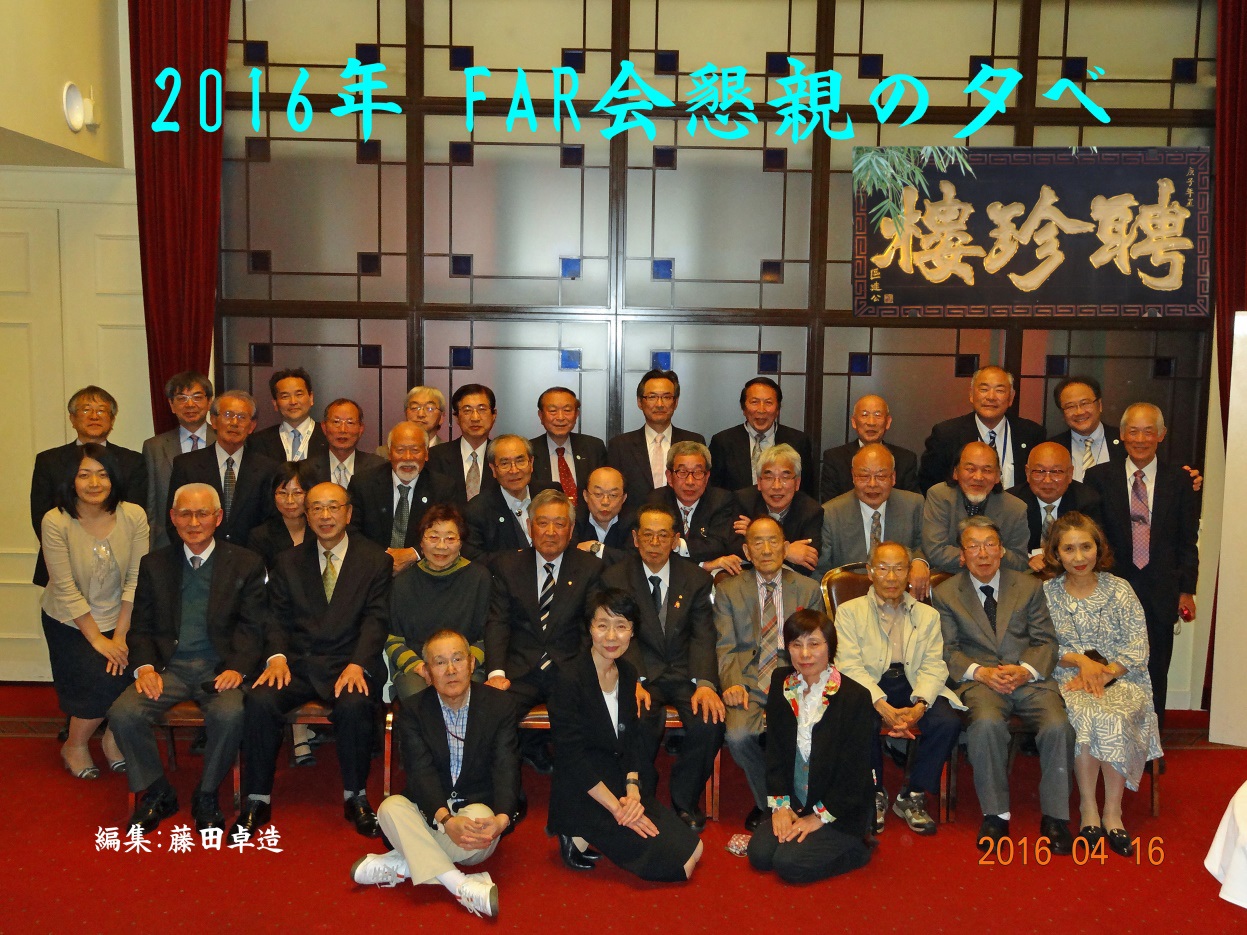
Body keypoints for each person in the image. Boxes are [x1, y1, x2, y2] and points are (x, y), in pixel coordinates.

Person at [232, 482, 391, 840]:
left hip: (349, 662)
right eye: (316, 508)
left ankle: (355, 796)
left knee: (354, 705)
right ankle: (257, 798)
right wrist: (276, 658)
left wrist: (358, 663)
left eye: (333, 507)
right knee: (259, 700)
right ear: (307, 515)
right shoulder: (288, 561)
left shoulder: (374, 559)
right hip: (298, 663)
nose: (325, 515)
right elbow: (275, 618)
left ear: (348, 513)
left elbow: (376, 619)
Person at [109, 483, 266, 833]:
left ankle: (206, 793)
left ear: (218, 517)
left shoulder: (246, 563)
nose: (194, 522)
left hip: (219, 669)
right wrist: (145, 668)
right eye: (185, 514)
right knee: (123, 713)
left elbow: (254, 626)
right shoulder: (155, 564)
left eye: (202, 514)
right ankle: (158, 791)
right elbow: (141, 626)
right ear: (173, 517)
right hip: (169, 669)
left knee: (230, 714)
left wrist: (238, 668)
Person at [932, 515, 1075, 854]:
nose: (983, 554)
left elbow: (1046, 641)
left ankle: (1056, 817)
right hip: (981, 682)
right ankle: (996, 815)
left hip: (1028, 678)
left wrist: (1025, 670)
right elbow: (947, 650)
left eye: (990, 545)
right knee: (985, 725)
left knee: (1058, 726)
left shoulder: (1028, 586)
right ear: (962, 554)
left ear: (1002, 550)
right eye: (973, 546)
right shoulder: (946, 593)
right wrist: (980, 673)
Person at [351, 630, 515, 917]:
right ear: (427, 672)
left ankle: (403, 862)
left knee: (479, 837)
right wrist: (445, 819)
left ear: (471, 664)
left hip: (474, 809)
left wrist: (501, 821)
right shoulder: (413, 709)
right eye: (440, 663)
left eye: (457, 659)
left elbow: (506, 766)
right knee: (389, 809)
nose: (450, 670)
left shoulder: (499, 705)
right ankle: (460, 885)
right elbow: (419, 771)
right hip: (429, 810)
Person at [547, 587, 704, 880]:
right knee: (681, 867)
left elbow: (631, 741)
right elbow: (570, 757)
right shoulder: (567, 677)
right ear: (589, 628)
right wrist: (618, 810)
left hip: (620, 782)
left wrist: (633, 793)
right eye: (602, 625)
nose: (611, 636)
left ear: (632, 632)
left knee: (696, 849)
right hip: (585, 790)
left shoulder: (629, 673)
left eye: (621, 626)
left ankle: (601, 827)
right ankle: (573, 831)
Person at [1041, 512, 1163, 858]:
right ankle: (1088, 807)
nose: (1079, 557)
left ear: (1099, 548)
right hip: (1069, 678)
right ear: (1056, 553)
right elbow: (1043, 645)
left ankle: (1113, 811)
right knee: (1085, 713)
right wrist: (1081, 663)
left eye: (1086, 547)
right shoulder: (1047, 593)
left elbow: (1138, 645)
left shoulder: (1119, 589)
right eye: (1069, 549)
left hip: (1122, 676)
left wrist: (1107, 672)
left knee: (1115, 714)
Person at [602, 503, 723, 830]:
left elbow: (703, 635)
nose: (654, 543)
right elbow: (619, 634)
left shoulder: (696, 579)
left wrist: (706, 684)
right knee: (637, 719)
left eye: (662, 536)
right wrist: (632, 680)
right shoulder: (615, 578)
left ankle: (685, 800)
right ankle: (644, 799)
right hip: (640, 671)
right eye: (647, 535)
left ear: (674, 539)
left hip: (685, 673)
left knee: (709, 722)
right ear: (635, 539)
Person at [833, 542, 963, 836]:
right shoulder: (849, 612)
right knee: (859, 719)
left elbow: (934, 664)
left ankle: (913, 794)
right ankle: (875, 791)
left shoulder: (927, 615)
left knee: (947, 722)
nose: (891, 577)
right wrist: (881, 705)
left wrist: (920, 705)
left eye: (899, 569)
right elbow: (848, 665)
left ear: (908, 573)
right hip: (868, 683)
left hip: (913, 681)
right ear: (870, 572)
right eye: (883, 568)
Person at [1083, 403, 1199, 725]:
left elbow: (1187, 541)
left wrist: (1187, 591)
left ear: (1161, 435)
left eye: (1149, 431)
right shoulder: (1098, 477)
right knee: (1109, 665)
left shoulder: (1181, 480)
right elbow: (1093, 539)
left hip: (1162, 591)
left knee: (1156, 667)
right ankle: (1111, 734)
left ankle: (1152, 736)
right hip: (1112, 590)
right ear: (1122, 434)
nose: (1141, 439)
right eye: (1133, 431)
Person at [40, 443, 148, 779]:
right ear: (71, 480)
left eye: (102, 474)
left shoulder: (134, 515)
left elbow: (136, 579)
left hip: (122, 616)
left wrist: (120, 635)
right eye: (84, 475)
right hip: (70, 621)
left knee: (130, 672)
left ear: (114, 478)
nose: (94, 483)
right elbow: (65, 587)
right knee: (101, 677)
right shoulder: (55, 520)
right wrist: (100, 641)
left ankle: (113, 738)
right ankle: (75, 744)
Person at [747, 609, 874, 884]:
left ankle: (859, 848)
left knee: (788, 864)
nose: (805, 654)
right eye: (796, 644)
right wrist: (781, 805)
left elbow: (855, 773)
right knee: (759, 855)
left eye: (814, 644)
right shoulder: (781, 682)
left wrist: (818, 817)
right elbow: (775, 750)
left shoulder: (855, 697)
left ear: (830, 647)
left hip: (839, 808)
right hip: (797, 803)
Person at [714, 517, 823, 830]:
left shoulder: (807, 589)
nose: (766, 550)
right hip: (747, 679)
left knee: (802, 731)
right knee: (738, 736)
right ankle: (771, 802)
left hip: (792, 677)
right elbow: (725, 645)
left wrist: (809, 685)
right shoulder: (729, 590)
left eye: (773, 541)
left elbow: (817, 646)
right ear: (746, 551)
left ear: (786, 547)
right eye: (757, 543)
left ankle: (796, 798)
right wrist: (732, 683)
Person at [483, 489, 603, 774]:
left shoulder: (589, 568)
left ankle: (575, 789)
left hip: (568, 669)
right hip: (519, 671)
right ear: (529, 526)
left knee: (578, 726)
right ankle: (507, 791)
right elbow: (498, 622)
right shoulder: (508, 566)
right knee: (492, 719)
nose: (550, 532)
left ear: (571, 530)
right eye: (542, 523)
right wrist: (496, 673)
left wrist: (586, 670)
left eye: (559, 524)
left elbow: (592, 626)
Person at [30, 386, 146, 587]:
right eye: (86, 410)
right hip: (61, 565)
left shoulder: (132, 461)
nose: (94, 416)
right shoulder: (48, 460)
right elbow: (40, 515)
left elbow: (134, 516)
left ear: (112, 419)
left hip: (118, 566)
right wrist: (69, 555)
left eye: (101, 410)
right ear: (72, 418)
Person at [386, 506, 493, 700]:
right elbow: (393, 639)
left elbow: (488, 635)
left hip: (465, 667)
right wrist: (421, 667)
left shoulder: (479, 578)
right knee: (423, 701)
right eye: (433, 537)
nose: (441, 546)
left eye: (450, 538)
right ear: (421, 542)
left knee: (466, 698)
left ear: (461, 543)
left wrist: (465, 663)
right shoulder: (403, 583)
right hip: (418, 669)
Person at [167, 390, 280, 547]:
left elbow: (271, 522)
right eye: (228, 415)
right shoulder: (187, 465)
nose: (234, 423)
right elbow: (175, 519)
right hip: (202, 554)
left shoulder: (268, 469)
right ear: (213, 420)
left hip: (252, 556)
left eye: (242, 417)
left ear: (252, 426)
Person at [817, 443, 929, 597]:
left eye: (881, 476)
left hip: (900, 599)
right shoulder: (831, 513)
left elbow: (923, 546)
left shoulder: (913, 505)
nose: (872, 484)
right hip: (850, 598)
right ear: (853, 477)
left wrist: (919, 561)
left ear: (893, 478)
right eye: (864, 476)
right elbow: (822, 571)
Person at [347, 422, 454, 575]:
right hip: (371, 570)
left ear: (426, 454)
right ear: (389, 453)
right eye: (400, 450)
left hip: (422, 572)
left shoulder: (443, 488)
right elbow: (352, 531)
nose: (407, 457)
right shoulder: (363, 484)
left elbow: (450, 534)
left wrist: (415, 553)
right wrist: (384, 559)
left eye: (415, 450)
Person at [918, 365, 1045, 492]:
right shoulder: (946, 435)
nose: (991, 397)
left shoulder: (1031, 434)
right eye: (984, 389)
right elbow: (930, 486)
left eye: (1000, 390)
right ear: (971, 394)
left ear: (1011, 397)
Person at [921, 441, 1029, 574]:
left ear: (997, 476)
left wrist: (991, 554)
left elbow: (1020, 562)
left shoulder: (1015, 508)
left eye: (987, 470)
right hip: (950, 577)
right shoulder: (939, 496)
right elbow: (935, 551)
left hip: (997, 581)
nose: (978, 477)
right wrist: (987, 556)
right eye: (970, 469)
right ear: (955, 472)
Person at [606, 369, 705, 506]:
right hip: (634, 518)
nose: (659, 404)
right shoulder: (620, 445)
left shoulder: (694, 442)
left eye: (666, 397)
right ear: (640, 402)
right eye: (652, 397)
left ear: (675, 402)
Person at [143, 371, 214, 550]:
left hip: (216, 539)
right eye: (182, 398)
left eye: (197, 397)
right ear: (171, 405)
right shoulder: (154, 447)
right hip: (167, 541)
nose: (190, 404)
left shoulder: (223, 442)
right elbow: (151, 504)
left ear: (209, 402)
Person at [646, 442, 741, 576]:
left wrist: (678, 544)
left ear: (707, 477)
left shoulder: (721, 500)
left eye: (698, 472)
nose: (690, 481)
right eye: (682, 472)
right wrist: (703, 565)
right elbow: (653, 550)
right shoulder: (656, 502)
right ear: (669, 477)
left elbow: (719, 545)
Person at [708, 377, 815, 496]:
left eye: (768, 402)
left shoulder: (798, 441)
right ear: (743, 408)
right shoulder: (723, 442)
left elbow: (807, 491)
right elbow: (715, 492)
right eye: (754, 402)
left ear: (778, 409)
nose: (761, 410)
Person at [463, 434, 559, 564]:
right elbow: (473, 558)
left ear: (531, 463)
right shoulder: (477, 510)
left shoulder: (551, 494)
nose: (514, 470)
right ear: (493, 469)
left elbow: (569, 536)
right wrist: (512, 559)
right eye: (505, 464)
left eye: (520, 461)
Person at [1006, 441, 1101, 572]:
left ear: (1070, 473)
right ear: (1027, 473)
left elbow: (1093, 549)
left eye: (1056, 472)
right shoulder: (1012, 503)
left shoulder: (1087, 501)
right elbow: (1006, 548)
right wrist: (1028, 558)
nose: (1047, 480)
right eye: (1040, 471)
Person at [731, 444, 823, 577]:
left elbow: (807, 562)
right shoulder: (743, 501)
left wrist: (754, 537)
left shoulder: (811, 511)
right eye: (769, 478)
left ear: (797, 483)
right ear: (759, 482)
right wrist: (787, 551)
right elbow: (734, 547)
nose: (777, 486)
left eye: (785, 477)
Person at [819, 394, 919, 500]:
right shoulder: (835, 458)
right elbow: (830, 504)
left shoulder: (906, 459)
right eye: (864, 415)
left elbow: (911, 503)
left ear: (888, 422)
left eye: (877, 415)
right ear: (854, 422)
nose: (871, 422)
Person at [529, 386, 607, 502]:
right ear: (541, 415)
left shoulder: (593, 447)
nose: (560, 417)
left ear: (576, 414)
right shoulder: (528, 451)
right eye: (553, 411)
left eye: (567, 410)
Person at [425, 384, 498, 502]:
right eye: (467, 410)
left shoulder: (501, 457)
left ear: (494, 415)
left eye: (482, 409)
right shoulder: (435, 456)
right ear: (457, 418)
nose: (475, 418)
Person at [246, 461, 316, 572]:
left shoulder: (319, 530)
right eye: (282, 493)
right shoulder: (260, 537)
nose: (289, 501)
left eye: (297, 493)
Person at [249, 367, 328, 465]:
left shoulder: (329, 436)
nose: (293, 402)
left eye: (299, 394)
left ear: (311, 398)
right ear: (275, 404)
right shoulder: (258, 442)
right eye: (285, 396)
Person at [306, 398, 385, 487]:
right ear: (324, 428)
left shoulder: (379, 467)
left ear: (361, 429)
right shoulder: (307, 470)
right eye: (336, 422)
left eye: (350, 423)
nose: (343, 430)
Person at [572, 466, 637, 566]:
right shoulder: (573, 520)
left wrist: (595, 547)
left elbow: (634, 561)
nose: (605, 502)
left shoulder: (635, 522)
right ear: (585, 495)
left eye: (613, 495)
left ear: (624, 498)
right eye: (598, 494)